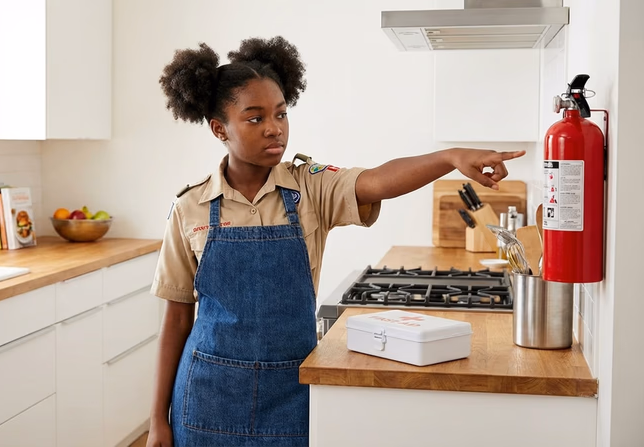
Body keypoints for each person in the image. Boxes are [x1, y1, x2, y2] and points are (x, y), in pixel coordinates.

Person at [147, 36, 525, 447]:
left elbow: (378, 179)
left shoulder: (310, 187)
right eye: (255, 119)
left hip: (292, 390)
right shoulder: (190, 208)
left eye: (281, 114)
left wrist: (448, 157)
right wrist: (155, 420)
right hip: (206, 396)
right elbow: (178, 320)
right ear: (219, 128)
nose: (275, 128)